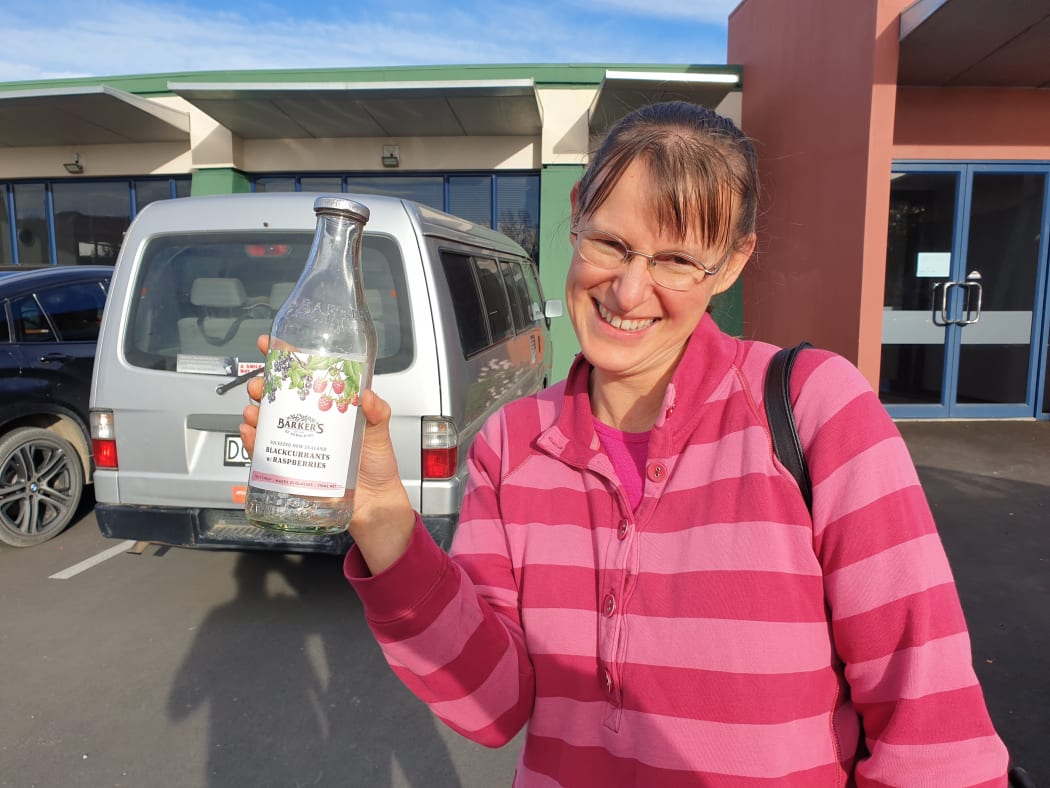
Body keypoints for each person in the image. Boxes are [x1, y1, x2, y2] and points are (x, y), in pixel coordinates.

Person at [240, 101, 1009, 786]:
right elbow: (494, 705)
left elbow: (933, 735)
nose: (630, 291)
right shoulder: (512, 443)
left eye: (676, 260)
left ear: (733, 263)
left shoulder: (815, 410)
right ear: (574, 215)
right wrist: (381, 520)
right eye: (609, 243)